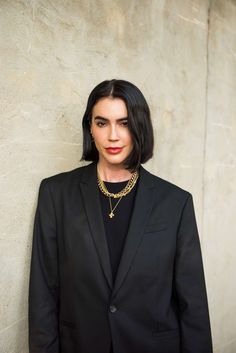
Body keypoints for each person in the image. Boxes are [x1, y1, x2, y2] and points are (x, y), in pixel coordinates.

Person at [28, 79, 213, 353]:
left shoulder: (176, 202)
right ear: (90, 128)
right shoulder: (56, 194)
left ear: (140, 127)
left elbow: (192, 303)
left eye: (124, 123)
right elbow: (43, 292)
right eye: (102, 123)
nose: (113, 136)